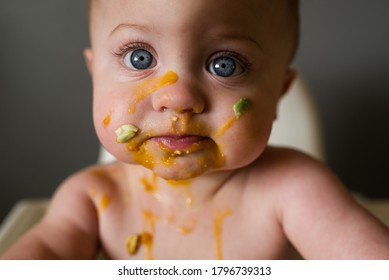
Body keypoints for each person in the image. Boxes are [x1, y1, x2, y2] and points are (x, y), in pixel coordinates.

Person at [2, 0, 389, 260]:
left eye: (225, 65)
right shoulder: (92, 200)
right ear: (94, 74)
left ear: (278, 95)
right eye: (140, 57)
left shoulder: (295, 191)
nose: (178, 97)